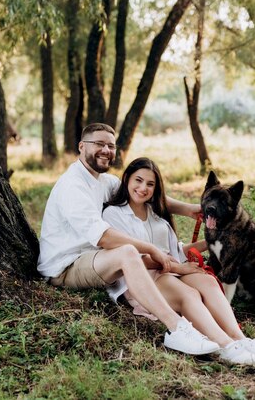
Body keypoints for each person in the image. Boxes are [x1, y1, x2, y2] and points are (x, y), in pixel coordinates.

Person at [38, 123, 219, 357]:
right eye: (99, 144)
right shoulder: (72, 185)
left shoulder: (104, 181)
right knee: (128, 252)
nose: (105, 150)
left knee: (129, 252)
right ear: (82, 146)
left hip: (91, 257)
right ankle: (177, 329)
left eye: (110, 146)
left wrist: (190, 210)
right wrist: (151, 248)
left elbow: (142, 194)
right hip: (65, 266)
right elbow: (103, 237)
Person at [102, 157, 255, 365]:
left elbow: (174, 251)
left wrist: (212, 239)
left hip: (171, 270)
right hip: (143, 277)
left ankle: (239, 338)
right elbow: (135, 259)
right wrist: (180, 268)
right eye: (138, 180)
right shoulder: (114, 214)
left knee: (209, 282)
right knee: (189, 293)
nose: (143, 188)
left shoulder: (155, 212)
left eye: (150, 184)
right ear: (127, 179)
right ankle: (225, 346)